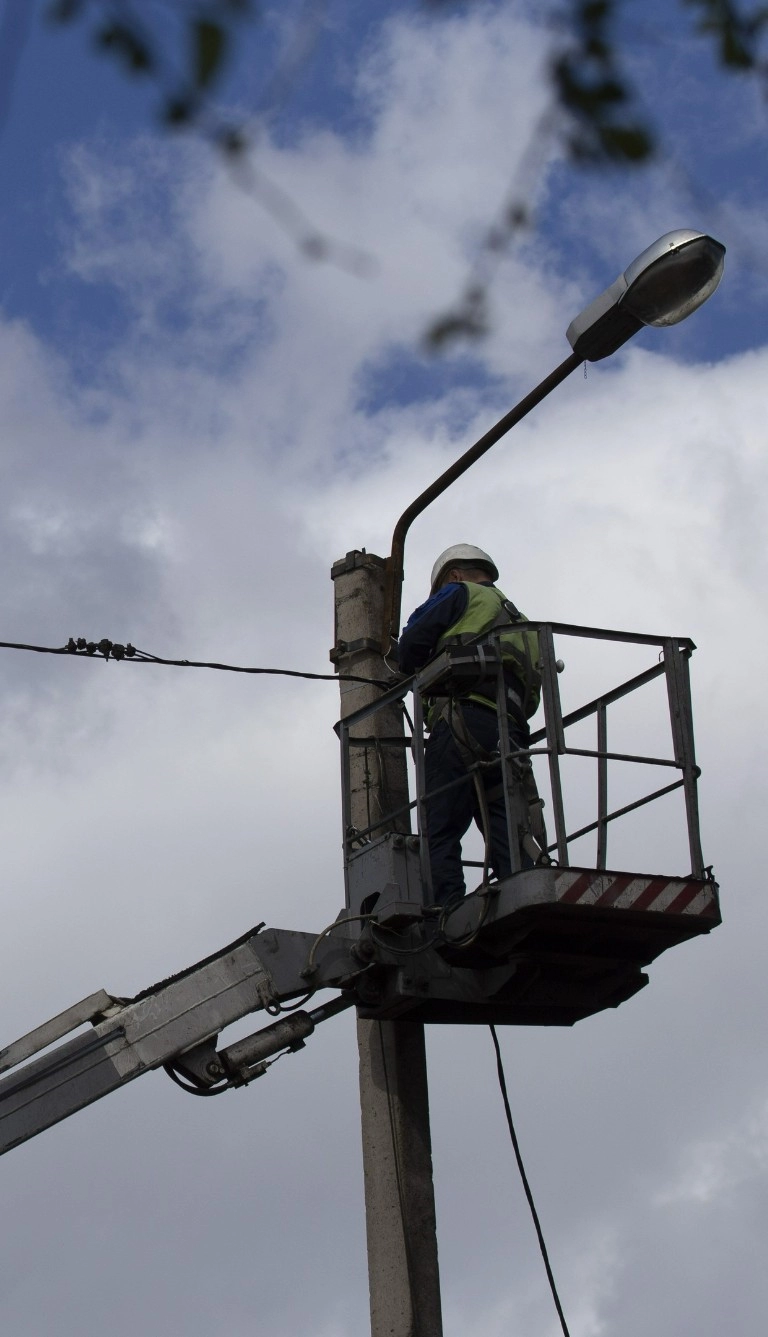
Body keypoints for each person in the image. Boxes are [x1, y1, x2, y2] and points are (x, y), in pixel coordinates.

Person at [397, 544, 542, 908]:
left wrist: (410, 663)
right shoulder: (523, 621)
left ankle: (446, 912)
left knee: (440, 823)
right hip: (510, 732)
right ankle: (520, 894)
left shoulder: (460, 593)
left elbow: (412, 644)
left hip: (462, 718)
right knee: (506, 824)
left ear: (454, 575)